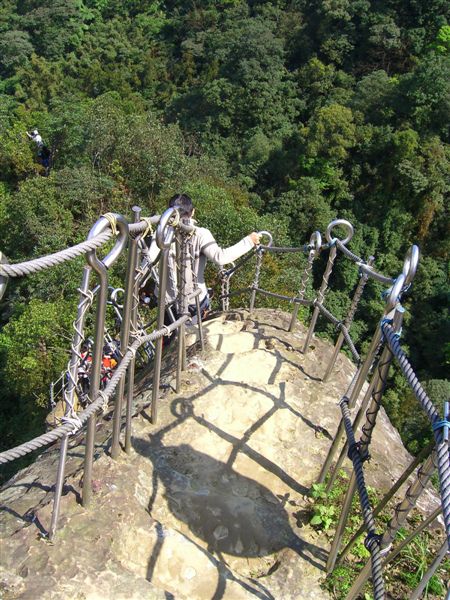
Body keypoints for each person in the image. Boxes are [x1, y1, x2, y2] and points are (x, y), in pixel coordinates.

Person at [147, 193, 261, 323]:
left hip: (166, 301)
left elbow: (149, 261)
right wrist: (249, 241)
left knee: (168, 336)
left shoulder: (161, 232)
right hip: (194, 300)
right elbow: (220, 257)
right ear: (193, 212)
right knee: (193, 338)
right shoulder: (200, 234)